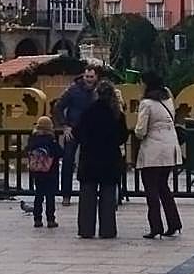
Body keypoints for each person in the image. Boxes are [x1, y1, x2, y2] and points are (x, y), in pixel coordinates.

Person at [73, 78, 128, 239]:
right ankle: (108, 230)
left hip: (89, 158)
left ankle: (86, 229)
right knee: (108, 196)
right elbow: (122, 136)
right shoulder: (117, 114)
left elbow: (78, 132)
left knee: (87, 196)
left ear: (97, 93)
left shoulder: (88, 111)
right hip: (110, 159)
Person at [134, 72, 182, 239]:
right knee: (164, 187)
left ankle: (156, 226)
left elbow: (141, 131)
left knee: (151, 190)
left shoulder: (146, 103)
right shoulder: (168, 100)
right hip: (170, 147)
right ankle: (174, 222)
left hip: (153, 150)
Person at [53, 65, 99, 204]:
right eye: (87, 76)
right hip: (72, 130)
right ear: (83, 76)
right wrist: (65, 125)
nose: (89, 79)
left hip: (92, 131)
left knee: (92, 162)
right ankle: (66, 194)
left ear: (96, 77)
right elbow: (58, 107)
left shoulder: (99, 90)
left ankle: (91, 193)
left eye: (91, 77)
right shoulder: (73, 90)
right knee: (67, 161)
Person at [25, 116, 63, 228]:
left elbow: (27, 150)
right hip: (50, 172)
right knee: (50, 196)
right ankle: (50, 219)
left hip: (37, 172)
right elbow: (60, 152)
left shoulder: (33, 139)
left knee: (39, 195)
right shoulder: (51, 140)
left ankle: (37, 219)